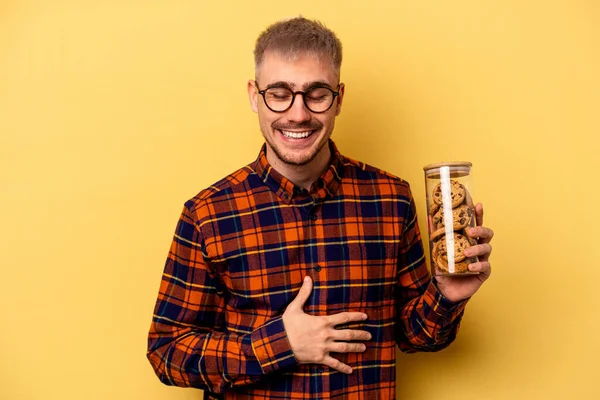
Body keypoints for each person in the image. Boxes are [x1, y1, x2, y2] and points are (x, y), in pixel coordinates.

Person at [147, 16, 493, 400]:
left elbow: (415, 338)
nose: (298, 114)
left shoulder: (391, 199)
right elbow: (166, 352)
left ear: (339, 98)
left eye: (316, 94)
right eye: (279, 93)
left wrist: (446, 294)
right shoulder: (207, 214)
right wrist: (279, 345)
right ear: (253, 95)